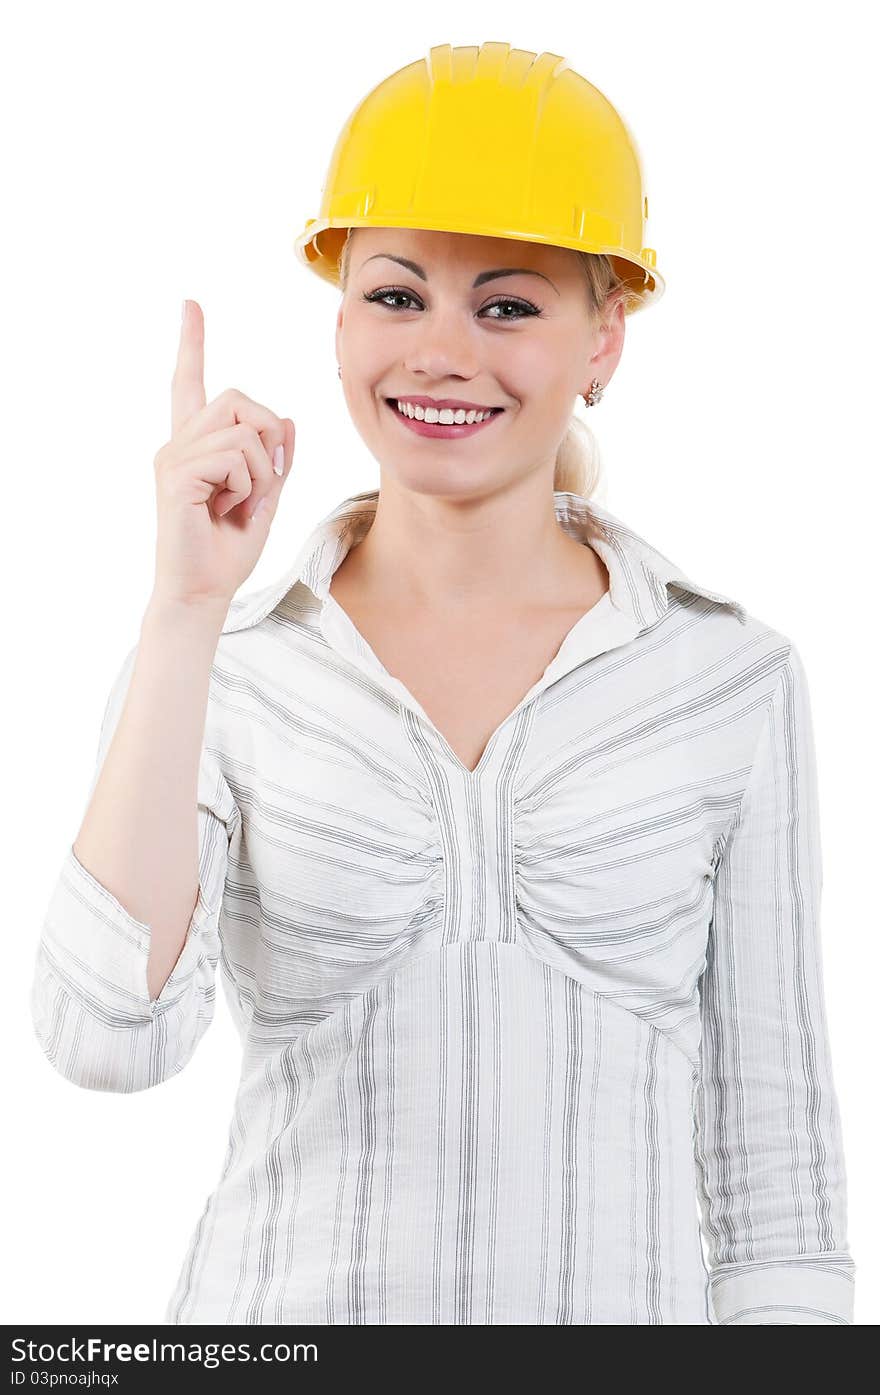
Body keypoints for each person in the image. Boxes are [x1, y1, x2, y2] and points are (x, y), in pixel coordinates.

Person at [29, 42, 856, 1325]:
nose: (442, 353)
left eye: (510, 305)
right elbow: (103, 1042)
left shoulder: (726, 680)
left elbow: (776, 1179)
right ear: (342, 320)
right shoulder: (223, 668)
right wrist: (185, 608)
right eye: (398, 296)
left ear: (605, 339)